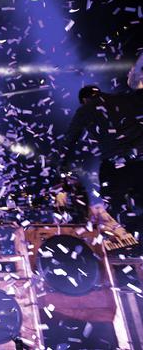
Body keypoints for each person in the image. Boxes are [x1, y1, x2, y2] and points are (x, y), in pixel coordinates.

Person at [58, 54, 143, 241]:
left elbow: (70, 140)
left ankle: (133, 240)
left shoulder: (86, 109)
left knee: (114, 203)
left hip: (119, 163)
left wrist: (62, 168)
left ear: (84, 100)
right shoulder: (123, 99)